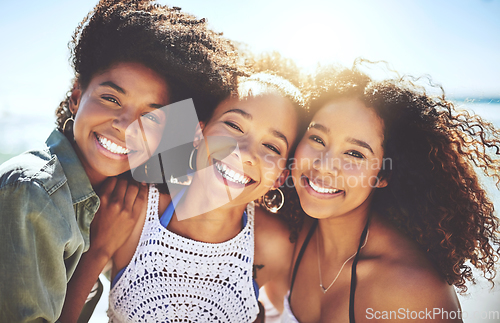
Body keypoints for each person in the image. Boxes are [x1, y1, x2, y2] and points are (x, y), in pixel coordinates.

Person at [0, 0, 240, 321]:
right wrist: (98, 252)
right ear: (76, 96)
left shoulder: (115, 191)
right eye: (111, 98)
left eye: (151, 116)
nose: (127, 126)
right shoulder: (34, 192)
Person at [268, 63, 500, 322]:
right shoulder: (286, 231)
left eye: (354, 153)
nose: (323, 166)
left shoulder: (413, 292)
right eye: (318, 139)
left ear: (383, 175)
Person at [106, 72, 308, 322]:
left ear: (280, 176)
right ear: (198, 133)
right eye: (234, 126)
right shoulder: (132, 210)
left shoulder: (276, 245)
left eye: (272, 147)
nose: (244, 152)